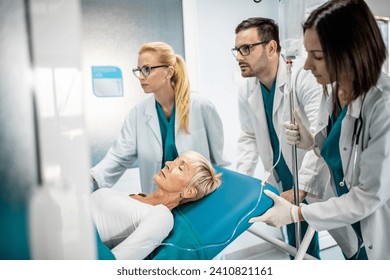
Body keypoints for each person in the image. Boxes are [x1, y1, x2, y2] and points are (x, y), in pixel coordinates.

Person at [252, 0, 390, 260]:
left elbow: (369, 196)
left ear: (351, 51)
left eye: (317, 56)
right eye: (308, 54)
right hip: (354, 223)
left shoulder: (383, 105)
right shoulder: (335, 90)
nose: (307, 66)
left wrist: (297, 213)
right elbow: (344, 152)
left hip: (379, 229)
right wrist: (313, 143)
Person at [233, 17, 359, 259]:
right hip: (283, 182)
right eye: (237, 50)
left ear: (271, 48)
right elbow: (248, 136)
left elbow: (324, 133)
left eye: (246, 48)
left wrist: (302, 188)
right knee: (298, 248)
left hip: (319, 180)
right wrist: (243, 183)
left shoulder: (304, 76)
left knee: (353, 245)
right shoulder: (246, 89)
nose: (239, 56)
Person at [90, 41, 228, 194]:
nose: (141, 77)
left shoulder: (201, 107)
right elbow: (119, 157)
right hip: (158, 201)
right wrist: (91, 177)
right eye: (139, 70)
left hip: (197, 199)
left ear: (169, 72)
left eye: (147, 69)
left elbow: (219, 162)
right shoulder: (138, 113)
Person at [90, 151, 222, 260]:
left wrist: (83, 221)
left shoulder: (161, 217)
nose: (168, 164)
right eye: (175, 160)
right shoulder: (136, 195)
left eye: (181, 168)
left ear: (189, 192)